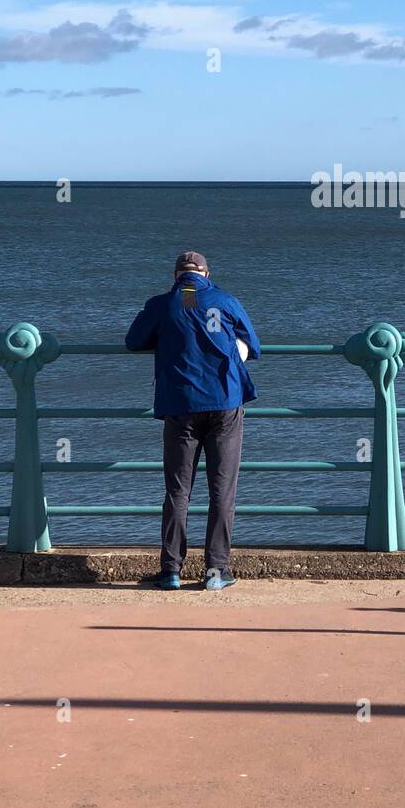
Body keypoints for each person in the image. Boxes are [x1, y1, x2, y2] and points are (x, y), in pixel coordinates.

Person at [125, 251, 260, 590]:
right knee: (221, 490)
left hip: (181, 405)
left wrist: (171, 334)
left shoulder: (164, 304)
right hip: (225, 404)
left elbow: (133, 341)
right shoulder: (225, 301)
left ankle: (171, 570)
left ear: (176, 275)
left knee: (177, 491)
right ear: (206, 273)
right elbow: (254, 347)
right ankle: (215, 572)